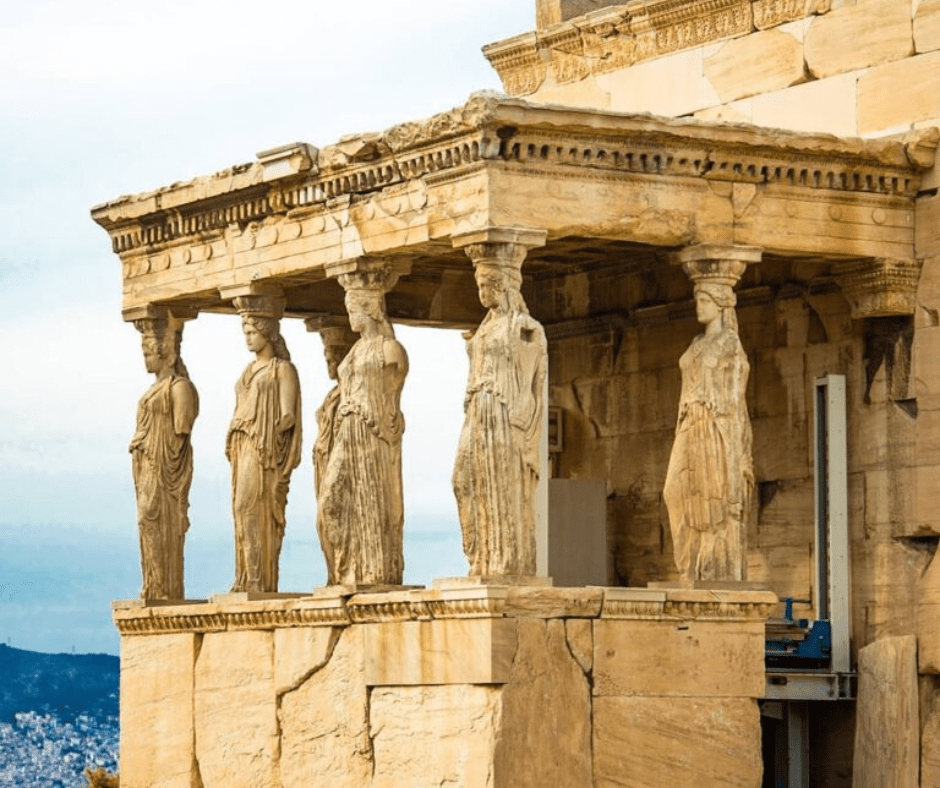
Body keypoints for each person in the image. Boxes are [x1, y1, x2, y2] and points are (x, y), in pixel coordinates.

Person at [453, 262, 546, 577]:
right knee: (463, 480)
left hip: (505, 411)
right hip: (477, 410)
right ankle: (479, 556)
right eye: (479, 284)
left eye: (488, 284)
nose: (482, 291)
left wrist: (524, 412)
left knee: (504, 483)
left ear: (505, 286)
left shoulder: (525, 327)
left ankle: (507, 562)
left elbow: (535, 379)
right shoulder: (483, 328)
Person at [319, 277, 408, 585]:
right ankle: (345, 570)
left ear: (370, 309)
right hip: (348, 429)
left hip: (372, 431)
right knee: (331, 499)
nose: (350, 316)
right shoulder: (355, 350)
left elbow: (393, 400)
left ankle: (375, 570)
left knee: (372, 499)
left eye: (354, 309)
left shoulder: (391, 350)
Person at [663, 281, 754, 582]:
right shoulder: (696, 343)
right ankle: (689, 565)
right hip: (690, 424)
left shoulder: (729, 344)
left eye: (704, 300)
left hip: (714, 428)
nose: (698, 305)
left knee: (714, 502)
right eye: (697, 299)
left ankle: (713, 568)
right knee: (673, 491)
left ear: (720, 305)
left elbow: (736, 394)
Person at [226, 307, 301, 593]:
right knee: (240, 509)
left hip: (263, 448)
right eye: (245, 333)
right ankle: (245, 576)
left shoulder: (282, 369)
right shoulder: (248, 370)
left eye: (252, 332)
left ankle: (260, 579)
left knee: (252, 508)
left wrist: (267, 430)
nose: (247, 338)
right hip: (242, 445)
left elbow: (288, 415)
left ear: (267, 333)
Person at [129, 317, 199, 600]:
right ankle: (155, 585)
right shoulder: (152, 391)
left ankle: (167, 587)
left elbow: (181, 430)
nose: (145, 360)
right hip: (147, 465)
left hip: (164, 467)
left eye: (148, 353)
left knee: (157, 518)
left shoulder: (180, 387)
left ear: (164, 353)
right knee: (146, 521)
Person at [312, 323, 357, 582]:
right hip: (324, 461)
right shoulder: (333, 394)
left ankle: (345, 572)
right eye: (327, 358)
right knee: (324, 521)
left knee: (333, 513)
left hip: (344, 462)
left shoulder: (351, 392)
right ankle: (335, 574)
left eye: (333, 357)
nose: (329, 363)